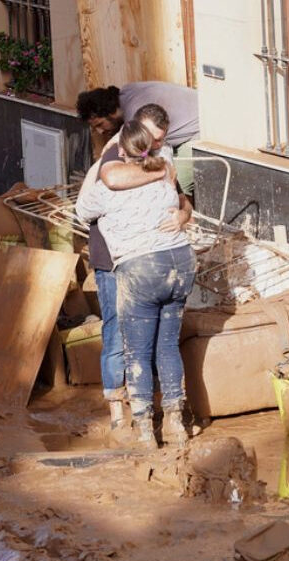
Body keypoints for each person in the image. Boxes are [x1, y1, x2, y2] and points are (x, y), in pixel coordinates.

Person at [75, 120, 194, 448]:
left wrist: (98, 164)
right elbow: (185, 204)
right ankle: (175, 424)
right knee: (168, 346)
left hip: (143, 269)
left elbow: (81, 209)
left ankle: (144, 431)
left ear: (122, 153)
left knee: (137, 351)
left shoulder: (109, 188)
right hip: (180, 263)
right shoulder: (165, 177)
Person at [76, 82, 199, 194]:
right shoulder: (127, 91)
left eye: (100, 124)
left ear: (111, 112)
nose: (100, 131)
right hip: (200, 109)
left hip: (201, 130)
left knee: (177, 183)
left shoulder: (135, 119)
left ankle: (184, 213)